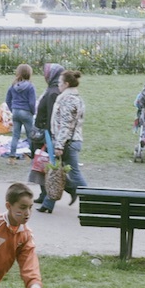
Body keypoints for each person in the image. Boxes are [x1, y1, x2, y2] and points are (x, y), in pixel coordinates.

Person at [38, 70, 87, 214]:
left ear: (66, 84)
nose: (58, 85)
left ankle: (91, 199)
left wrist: (59, 145)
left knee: (74, 175)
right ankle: (48, 203)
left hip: (67, 142)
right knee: (56, 172)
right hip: (70, 140)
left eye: (60, 82)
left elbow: (66, 124)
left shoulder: (68, 99)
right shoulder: (73, 97)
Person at [4, 63, 37, 159]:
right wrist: (33, 112)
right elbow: (32, 102)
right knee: (30, 135)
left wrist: (12, 109)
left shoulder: (13, 86)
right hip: (26, 112)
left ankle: (12, 155)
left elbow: (7, 100)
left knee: (15, 135)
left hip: (15, 112)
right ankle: (33, 155)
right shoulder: (30, 87)